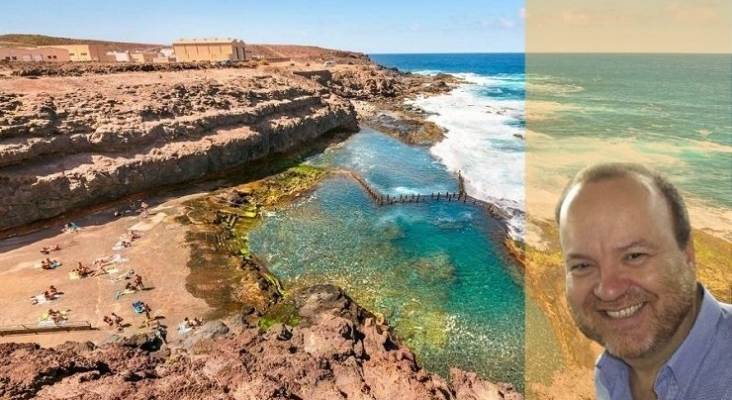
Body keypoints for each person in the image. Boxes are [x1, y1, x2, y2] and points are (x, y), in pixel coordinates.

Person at [555, 162, 732, 400]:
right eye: (583, 266)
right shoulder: (609, 377)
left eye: (634, 256)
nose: (608, 290)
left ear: (687, 254)